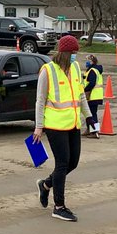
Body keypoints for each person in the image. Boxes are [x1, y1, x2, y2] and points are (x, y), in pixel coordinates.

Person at [33, 34, 91, 222]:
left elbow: (81, 95)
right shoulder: (47, 71)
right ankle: (59, 206)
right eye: (73, 53)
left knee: (73, 162)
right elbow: (40, 101)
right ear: (64, 53)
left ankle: (46, 184)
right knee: (62, 163)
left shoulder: (74, 67)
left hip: (73, 123)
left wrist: (89, 117)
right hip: (55, 125)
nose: (75, 56)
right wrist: (38, 127)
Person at [82, 54, 104, 138]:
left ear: (92, 61)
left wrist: (84, 90)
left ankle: (94, 131)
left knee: (92, 114)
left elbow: (92, 83)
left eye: (88, 60)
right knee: (89, 113)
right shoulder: (92, 70)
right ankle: (90, 129)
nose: (86, 62)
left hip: (92, 95)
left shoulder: (92, 71)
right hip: (95, 95)